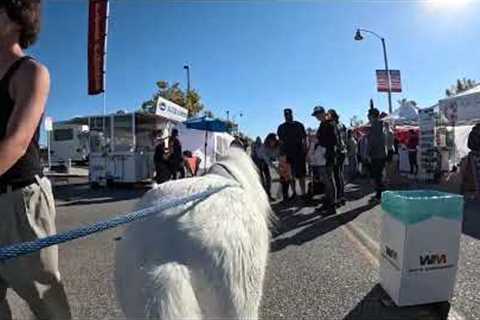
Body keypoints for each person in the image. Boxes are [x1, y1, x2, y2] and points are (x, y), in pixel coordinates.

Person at [0, 2, 71, 319]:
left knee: (45, 300)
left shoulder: (32, 72)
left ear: (15, 19)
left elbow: (15, 142)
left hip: (22, 201)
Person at [277, 108, 307, 200]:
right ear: (284, 116)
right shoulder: (281, 127)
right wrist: (282, 156)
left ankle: (303, 193)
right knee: (291, 176)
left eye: (289, 114)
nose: (287, 116)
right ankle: (294, 193)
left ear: (292, 114)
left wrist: (305, 152)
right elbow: (280, 142)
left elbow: (304, 139)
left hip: (299, 154)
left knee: (301, 176)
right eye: (286, 115)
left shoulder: (299, 125)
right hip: (288, 155)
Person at [312, 106, 337, 215]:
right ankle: (328, 203)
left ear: (323, 113)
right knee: (326, 181)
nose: (317, 117)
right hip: (323, 156)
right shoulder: (323, 124)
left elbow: (333, 141)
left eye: (318, 114)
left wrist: (319, 141)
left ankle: (332, 206)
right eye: (316, 115)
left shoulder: (329, 124)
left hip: (328, 155)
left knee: (328, 181)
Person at [367, 106, 387, 202]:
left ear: (372, 116)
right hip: (381, 153)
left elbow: (372, 142)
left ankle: (379, 196)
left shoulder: (375, 126)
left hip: (376, 154)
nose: (367, 117)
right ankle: (380, 195)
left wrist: (368, 154)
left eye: (369, 115)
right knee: (378, 176)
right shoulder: (380, 124)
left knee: (377, 176)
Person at [329, 109, 346, 207]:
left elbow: (336, 140)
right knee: (340, 174)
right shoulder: (342, 125)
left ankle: (338, 198)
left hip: (337, 152)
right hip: (343, 151)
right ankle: (342, 196)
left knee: (336, 175)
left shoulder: (333, 126)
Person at [256, 133, 280, 202]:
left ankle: (268, 195)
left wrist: (281, 165)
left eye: (275, 141)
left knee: (268, 178)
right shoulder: (264, 147)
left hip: (265, 161)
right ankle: (261, 196)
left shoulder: (277, 146)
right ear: (268, 140)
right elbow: (267, 161)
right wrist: (276, 168)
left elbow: (277, 156)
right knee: (261, 178)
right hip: (258, 159)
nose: (273, 143)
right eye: (272, 141)